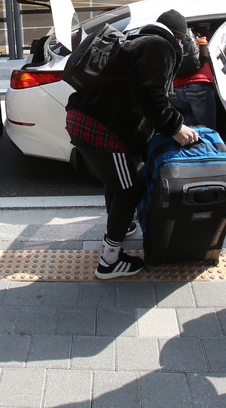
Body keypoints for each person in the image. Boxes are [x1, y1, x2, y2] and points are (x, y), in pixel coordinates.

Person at [65, 17, 199, 280]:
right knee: (129, 191)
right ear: (179, 38)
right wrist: (176, 128)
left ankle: (121, 227)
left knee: (117, 181)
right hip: (102, 128)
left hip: (85, 120)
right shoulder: (159, 47)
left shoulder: (137, 40)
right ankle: (109, 261)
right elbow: (148, 93)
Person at [157, 10, 217, 131]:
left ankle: (190, 148)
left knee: (185, 128)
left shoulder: (161, 41)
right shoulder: (202, 35)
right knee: (207, 131)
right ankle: (207, 148)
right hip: (199, 85)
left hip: (173, 88)